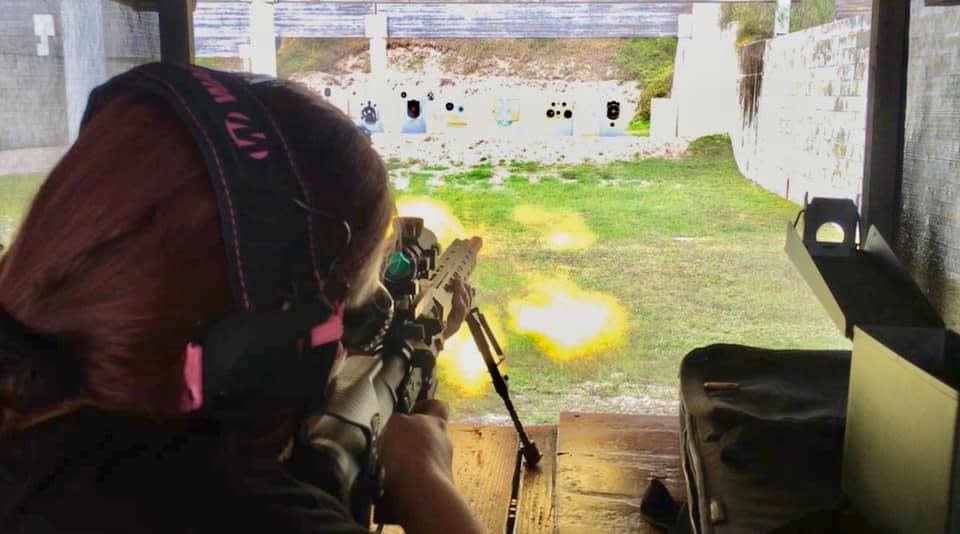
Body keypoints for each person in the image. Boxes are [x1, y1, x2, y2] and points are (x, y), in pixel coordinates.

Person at [0, 71, 483, 534]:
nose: (341, 354)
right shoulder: (233, 512)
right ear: (259, 350)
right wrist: (426, 481)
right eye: (347, 316)